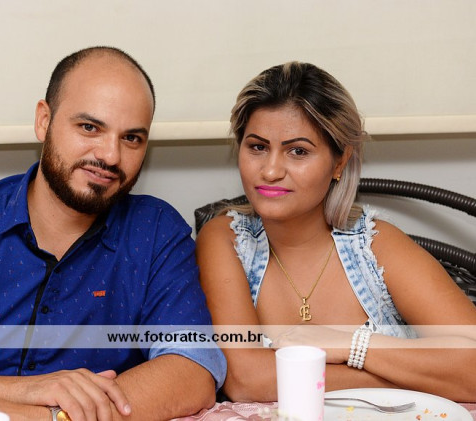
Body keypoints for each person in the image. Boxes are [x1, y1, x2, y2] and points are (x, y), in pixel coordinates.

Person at [0, 46, 226, 421]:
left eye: (131, 138)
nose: (111, 156)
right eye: (90, 127)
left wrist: (51, 417)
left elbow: (192, 367)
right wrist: (25, 392)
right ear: (44, 121)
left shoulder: (155, 232)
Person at [196, 61, 476, 403]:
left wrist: (351, 345)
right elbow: (246, 380)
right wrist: (417, 377)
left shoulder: (377, 246)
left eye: (298, 151)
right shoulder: (224, 239)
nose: (270, 171)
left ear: (339, 162)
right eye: (257, 147)